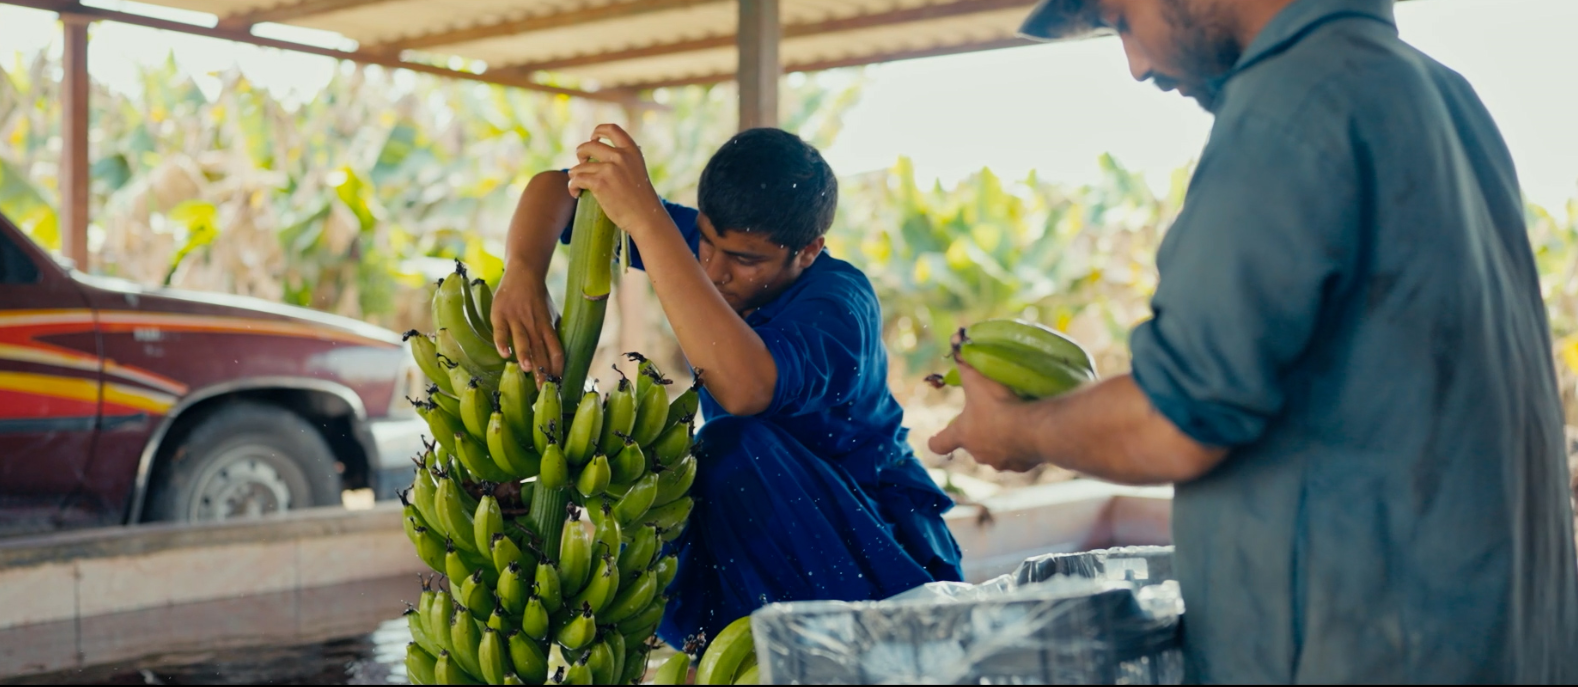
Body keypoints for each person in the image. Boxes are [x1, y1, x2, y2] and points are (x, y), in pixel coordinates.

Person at [930, 0, 1578, 682]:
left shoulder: (1288, 104)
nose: (1137, 64)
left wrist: (1019, 429)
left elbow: (1177, 419)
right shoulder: (1436, 92)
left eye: (1121, 18)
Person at [490, 124, 965, 647]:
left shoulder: (839, 303)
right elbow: (558, 189)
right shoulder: (707, 248)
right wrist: (523, 271)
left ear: (807, 251)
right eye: (707, 245)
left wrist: (646, 219)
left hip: (882, 557)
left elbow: (745, 389)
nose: (715, 271)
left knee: (730, 447)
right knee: (663, 483)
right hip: (770, 539)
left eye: (745, 260)